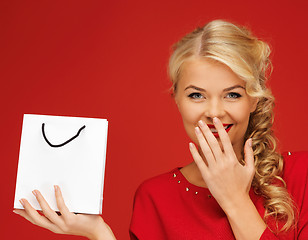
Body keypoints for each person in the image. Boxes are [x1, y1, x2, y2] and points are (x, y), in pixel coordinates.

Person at [13, 19, 308, 239]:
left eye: (232, 94)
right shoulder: (155, 197)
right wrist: (98, 232)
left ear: (254, 100)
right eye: (196, 95)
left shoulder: (300, 176)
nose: (215, 111)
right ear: (177, 100)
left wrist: (233, 199)